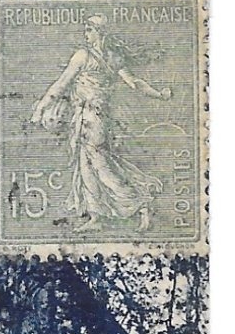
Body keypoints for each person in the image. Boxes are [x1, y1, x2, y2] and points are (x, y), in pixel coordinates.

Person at [30, 15, 173, 230]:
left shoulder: (83, 56)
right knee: (87, 164)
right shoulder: (113, 58)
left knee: (100, 167)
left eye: (89, 30)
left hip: (90, 119)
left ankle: (140, 204)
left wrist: (41, 108)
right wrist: (159, 95)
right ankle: (96, 216)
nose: (86, 34)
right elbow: (134, 83)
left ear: (100, 32)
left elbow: (61, 84)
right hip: (96, 119)